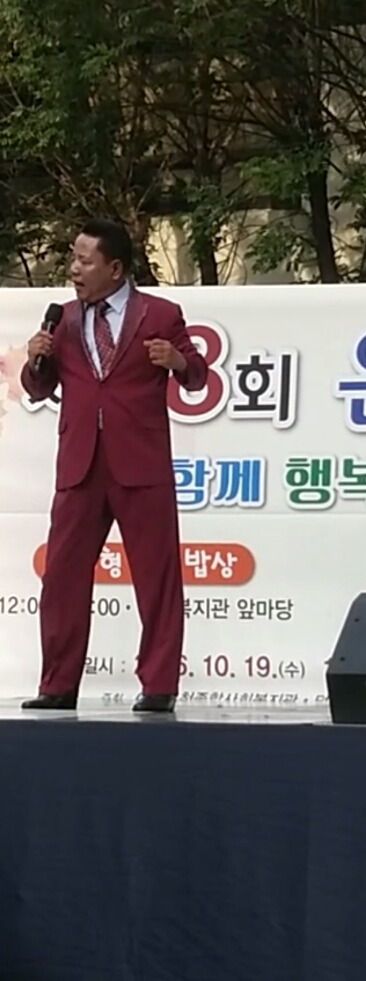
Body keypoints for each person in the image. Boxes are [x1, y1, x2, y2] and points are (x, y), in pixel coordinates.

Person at [20, 219, 208, 713]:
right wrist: (36, 359)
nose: (74, 269)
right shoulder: (62, 319)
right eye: (73, 258)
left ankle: (159, 685)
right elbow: (38, 389)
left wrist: (177, 361)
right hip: (80, 464)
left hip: (141, 463)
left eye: (85, 261)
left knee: (157, 576)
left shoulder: (160, 314)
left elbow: (197, 377)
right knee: (61, 576)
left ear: (116, 268)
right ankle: (58, 685)